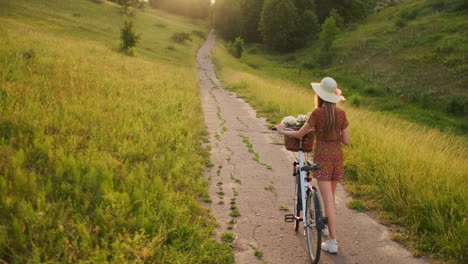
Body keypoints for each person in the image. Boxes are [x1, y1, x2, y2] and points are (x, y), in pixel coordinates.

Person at [276, 77, 349, 254]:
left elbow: (300, 134)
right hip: (337, 156)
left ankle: (333, 241)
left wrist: (282, 130)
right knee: (330, 198)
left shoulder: (317, 114)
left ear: (320, 95)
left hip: (323, 157)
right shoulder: (341, 114)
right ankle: (325, 228)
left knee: (328, 201)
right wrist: (334, 133)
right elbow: (346, 140)